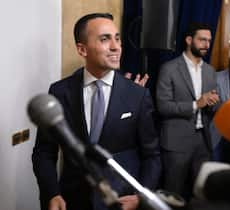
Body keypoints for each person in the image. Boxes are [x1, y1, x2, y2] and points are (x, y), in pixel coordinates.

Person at [32, 13, 161, 210]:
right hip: (72, 200)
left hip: (121, 202)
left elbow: (152, 155)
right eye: (104, 39)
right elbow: (44, 152)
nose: (116, 46)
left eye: (117, 38)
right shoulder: (59, 92)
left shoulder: (138, 95)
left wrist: (140, 196)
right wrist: (52, 193)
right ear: (82, 49)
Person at [156, 22, 219, 200]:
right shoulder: (169, 68)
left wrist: (216, 104)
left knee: (201, 194)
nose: (206, 44)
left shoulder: (210, 71)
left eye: (209, 40)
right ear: (189, 40)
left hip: (203, 141)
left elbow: (211, 106)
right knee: (172, 193)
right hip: (176, 142)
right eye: (202, 40)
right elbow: (163, 106)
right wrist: (196, 104)